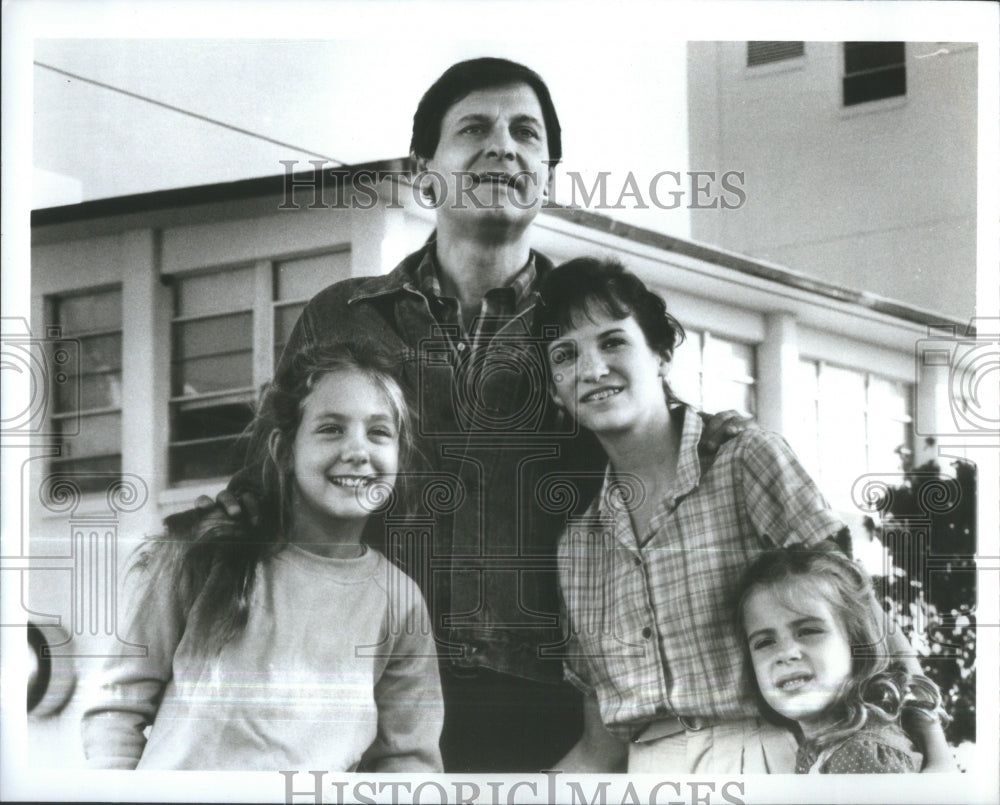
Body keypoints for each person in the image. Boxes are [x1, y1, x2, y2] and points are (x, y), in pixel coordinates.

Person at [205, 58, 744, 772]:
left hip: (546, 707)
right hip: (361, 694)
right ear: (424, 171)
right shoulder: (343, 317)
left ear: (546, 175)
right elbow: (265, 492)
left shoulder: (585, 331)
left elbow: (663, 460)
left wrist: (726, 444)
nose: (503, 146)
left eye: (526, 133)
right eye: (474, 129)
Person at [537, 257, 953, 773]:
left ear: (662, 354)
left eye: (613, 341)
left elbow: (860, 614)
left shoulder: (745, 460)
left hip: (766, 759)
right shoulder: (579, 545)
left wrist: (936, 756)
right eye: (565, 354)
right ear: (556, 388)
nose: (592, 368)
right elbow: (602, 742)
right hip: (646, 777)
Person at [82, 341, 443, 772]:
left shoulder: (399, 601)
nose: (358, 451)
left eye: (379, 432)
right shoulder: (205, 554)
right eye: (331, 428)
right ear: (285, 448)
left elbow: (408, 760)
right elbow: (117, 709)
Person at [737, 547, 949, 774]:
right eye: (764, 643)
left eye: (808, 631)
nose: (786, 653)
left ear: (857, 643)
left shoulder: (859, 755)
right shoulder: (830, 748)